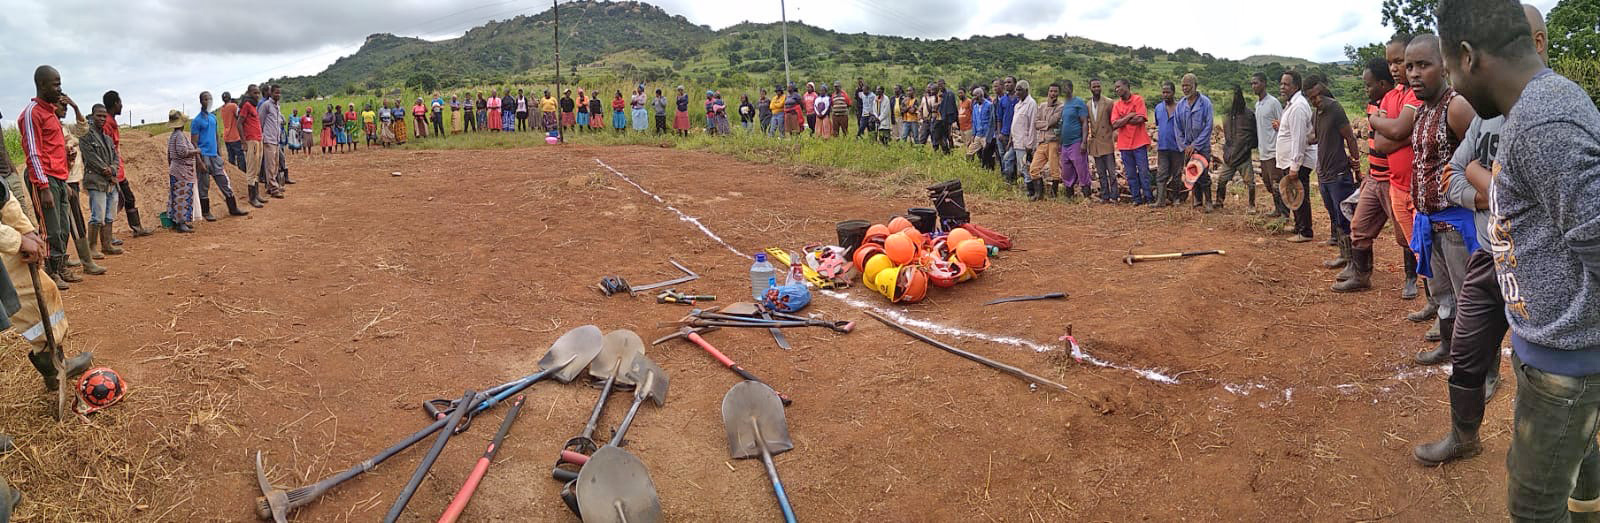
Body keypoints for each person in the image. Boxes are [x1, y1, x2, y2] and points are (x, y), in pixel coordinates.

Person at [1431, 2, 1600, 518]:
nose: (1452, 87)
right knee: (1580, 475)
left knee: (1533, 506)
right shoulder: (1533, 109)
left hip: (1565, 368)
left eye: (1448, 70)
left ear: (1467, 56)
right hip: (1556, 354)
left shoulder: (1543, 123)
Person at [1411, 3, 1545, 468]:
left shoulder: (1545, 118)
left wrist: (1485, 179)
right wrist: (1484, 189)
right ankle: (1463, 436)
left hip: (1532, 263)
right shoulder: (1487, 117)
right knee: (1466, 352)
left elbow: (1523, 191)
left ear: (1537, 45)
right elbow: (1453, 175)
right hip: (1489, 256)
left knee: (1546, 376)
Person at [10, 70, 93, 397]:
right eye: (53, 84)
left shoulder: (52, 115)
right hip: (46, 181)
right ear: (39, 85)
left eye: (60, 84)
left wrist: (65, 185)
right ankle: (55, 269)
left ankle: (56, 362)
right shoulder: (31, 113)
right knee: (51, 231)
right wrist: (43, 186)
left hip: (59, 179)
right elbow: (32, 151)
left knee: (60, 232)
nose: (58, 89)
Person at [1405, 34, 1478, 367]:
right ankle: (1449, 349)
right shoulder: (1421, 112)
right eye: (1409, 66)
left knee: (1470, 301)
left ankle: (1482, 369)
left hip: (1455, 227)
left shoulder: (1457, 106)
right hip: (1429, 224)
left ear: (1444, 66)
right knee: (1444, 297)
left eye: (1423, 65)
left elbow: (1482, 161)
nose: (1414, 74)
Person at [1305, 74, 1362, 271]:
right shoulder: (1316, 113)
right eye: (1311, 98)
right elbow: (1317, 137)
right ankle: (1344, 256)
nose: (1315, 100)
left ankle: (1355, 261)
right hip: (1324, 173)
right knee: (1335, 216)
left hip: (1338, 173)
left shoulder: (1335, 109)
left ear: (1323, 90)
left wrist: (1356, 165)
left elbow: (1350, 138)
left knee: (1345, 217)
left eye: (1317, 96)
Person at [101, 91, 154, 240]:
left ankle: (136, 228)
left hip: (118, 170)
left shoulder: (111, 122)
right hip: (112, 171)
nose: (122, 105)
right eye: (120, 102)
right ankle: (107, 237)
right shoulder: (106, 125)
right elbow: (106, 150)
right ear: (115, 104)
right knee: (112, 203)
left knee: (127, 199)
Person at [191, 92, 246, 222]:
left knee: (224, 182)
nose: (208, 101)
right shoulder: (197, 121)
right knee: (204, 186)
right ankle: (206, 212)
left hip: (214, 156)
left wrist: (219, 153)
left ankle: (233, 208)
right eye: (205, 99)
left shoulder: (213, 118)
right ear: (201, 101)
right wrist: (199, 161)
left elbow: (216, 136)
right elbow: (194, 142)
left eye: (210, 99)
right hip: (203, 156)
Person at [1275, 71, 1316, 241]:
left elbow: (1299, 139)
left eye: (1286, 84)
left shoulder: (1298, 106)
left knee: (1300, 194)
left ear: (1296, 86)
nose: (1282, 87)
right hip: (1291, 160)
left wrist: (1294, 166)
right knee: (1294, 194)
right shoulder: (1292, 104)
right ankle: (1300, 226)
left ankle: (1305, 231)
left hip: (1298, 160)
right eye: (1281, 83)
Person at [81, 104, 122, 265]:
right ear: (92, 115)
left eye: (104, 116)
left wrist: (112, 169)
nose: (102, 119)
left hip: (110, 181)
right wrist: (107, 171)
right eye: (99, 116)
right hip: (96, 181)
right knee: (97, 215)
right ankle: (92, 247)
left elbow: (116, 158)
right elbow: (91, 159)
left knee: (110, 214)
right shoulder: (86, 136)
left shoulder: (107, 138)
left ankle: (106, 244)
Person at [1213, 86, 1258, 211]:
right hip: (1230, 157)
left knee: (1250, 182)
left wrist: (1248, 146)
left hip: (1244, 156)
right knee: (1222, 180)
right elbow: (1227, 135)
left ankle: (1251, 205)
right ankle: (1219, 202)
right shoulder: (1227, 115)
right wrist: (1227, 151)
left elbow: (1255, 135)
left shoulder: (1249, 115)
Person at [1175, 74, 1215, 210]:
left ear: (1195, 86)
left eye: (1188, 85)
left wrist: (1196, 145)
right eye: (1183, 86)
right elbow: (1178, 128)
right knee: (1192, 174)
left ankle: (1208, 201)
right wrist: (1185, 146)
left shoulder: (1205, 103)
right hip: (1187, 148)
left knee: (1203, 175)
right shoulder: (1180, 105)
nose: (1185, 89)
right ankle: (1198, 201)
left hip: (1202, 147)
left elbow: (1208, 126)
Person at [1110, 79, 1152, 205]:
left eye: (1119, 87)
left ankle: (1149, 198)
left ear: (1127, 86)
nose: (1117, 90)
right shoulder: (1117, 105)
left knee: (1144, 172)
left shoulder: (1138, 99)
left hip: (1139, 142)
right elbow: (1114, 124)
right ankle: (1136, 199)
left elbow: (1140, 119)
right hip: (1124, 145)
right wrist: (1129, 116)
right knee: (1130, 173)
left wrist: (1123, 119)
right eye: (1115, 88)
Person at [163, 110, 198, 233]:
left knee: (177, 196)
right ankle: (181, 223)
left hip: (176, 169)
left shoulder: (173, 136)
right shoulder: (179, 135)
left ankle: (179, 222)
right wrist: (196, 151)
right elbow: (182, 152)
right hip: (182, 171)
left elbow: (169, 155)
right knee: (182, 196)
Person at [1028, 82, 1063, 200]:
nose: (1053, 94)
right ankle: (1039, 193)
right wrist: (1046, 125)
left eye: (1055, 91)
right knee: (1033, 168)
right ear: (1048, 92)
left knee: (1054, 170)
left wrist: (1045, 124)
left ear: (1058, 93)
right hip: (1042, 142)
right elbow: (1036, 124)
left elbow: (1053, 121)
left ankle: (1054, 194)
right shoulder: (1042, 106)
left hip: (1053, 141)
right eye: (1051, 91)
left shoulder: (1060, 107)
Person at [1058, 81, 1091, 199]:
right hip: (1065, 144)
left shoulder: (1079, 103)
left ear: (1071, 88)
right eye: (1063, 88)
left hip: (1076, 141)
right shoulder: (1064, 105)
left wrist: (1084, 141)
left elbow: (1084, 123)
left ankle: (1087, 196)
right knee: (1066, 170)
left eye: (1067, 87)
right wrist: (1060, 143)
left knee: (1081, 168)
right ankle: (1069, 196)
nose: (1065, 90)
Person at [1085, 79, 1117, 203]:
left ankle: (1114, 196)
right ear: (1090, 88)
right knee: (1101, 172)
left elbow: (1113, 122)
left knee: (1112, 172)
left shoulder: (1109, 102)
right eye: (1094, 86)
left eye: (1098, 86)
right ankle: (1105, 196)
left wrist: (1112, 136)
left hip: (1107, 141)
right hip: (1096, 142)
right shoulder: (1088, 104)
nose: (1097, 88)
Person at [1152, 81, 1183, 207]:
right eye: (1163, 92)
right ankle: (1160, 200)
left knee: (1177, 174)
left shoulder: (1181, 108)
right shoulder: (1158, 108)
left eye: (1167, 92)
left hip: (1177, 147)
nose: (1165, 95)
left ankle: (1176, 198)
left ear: (1173, 93)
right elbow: (1159, 125)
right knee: (1161, 174)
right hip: (1163, 147)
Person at [1010, 80, 1039, 199]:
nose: (1017, 92)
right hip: (1017, 141)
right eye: (1016, 89)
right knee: (1019, 165)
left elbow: (1032, 124)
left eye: (1019, 90)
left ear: (1026, 90)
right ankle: (1028, 189)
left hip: (1025, 142)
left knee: (1025, 167)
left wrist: (1030, 144)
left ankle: (1032, 191)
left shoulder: (1031, 104)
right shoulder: (1018, 105)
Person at [258, 86, 286, 199]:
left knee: (275, 164)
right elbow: (260, 122)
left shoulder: (277, 106)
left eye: (279, 93)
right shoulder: (266, 106)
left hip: (276, 139)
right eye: (276, 93)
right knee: (270, 165)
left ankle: (272, 186)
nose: (278, 95)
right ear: (271, 93)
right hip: (268, 139)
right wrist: (262, 137)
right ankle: (274, 189)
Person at [219, 93, 243, 171]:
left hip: (226, 136)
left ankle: (233, 175)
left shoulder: (222, 109)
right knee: (240, 157)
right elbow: (239, 117)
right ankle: (242, 174)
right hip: (235, 136)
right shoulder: (233, 106)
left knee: (231, 158)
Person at [969, 87, 992, 165]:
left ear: (981, 95)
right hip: (978, 134)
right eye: (973, 96)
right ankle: (970, 166)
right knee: (970, 152)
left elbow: (992, 121)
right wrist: (973, 134)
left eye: (975, 95)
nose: (974, 98)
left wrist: (990, 134)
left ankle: (988, 168)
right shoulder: (975, 107)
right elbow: (974, 121)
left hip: (986, 134)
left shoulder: (989, 105)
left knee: (987, 154)